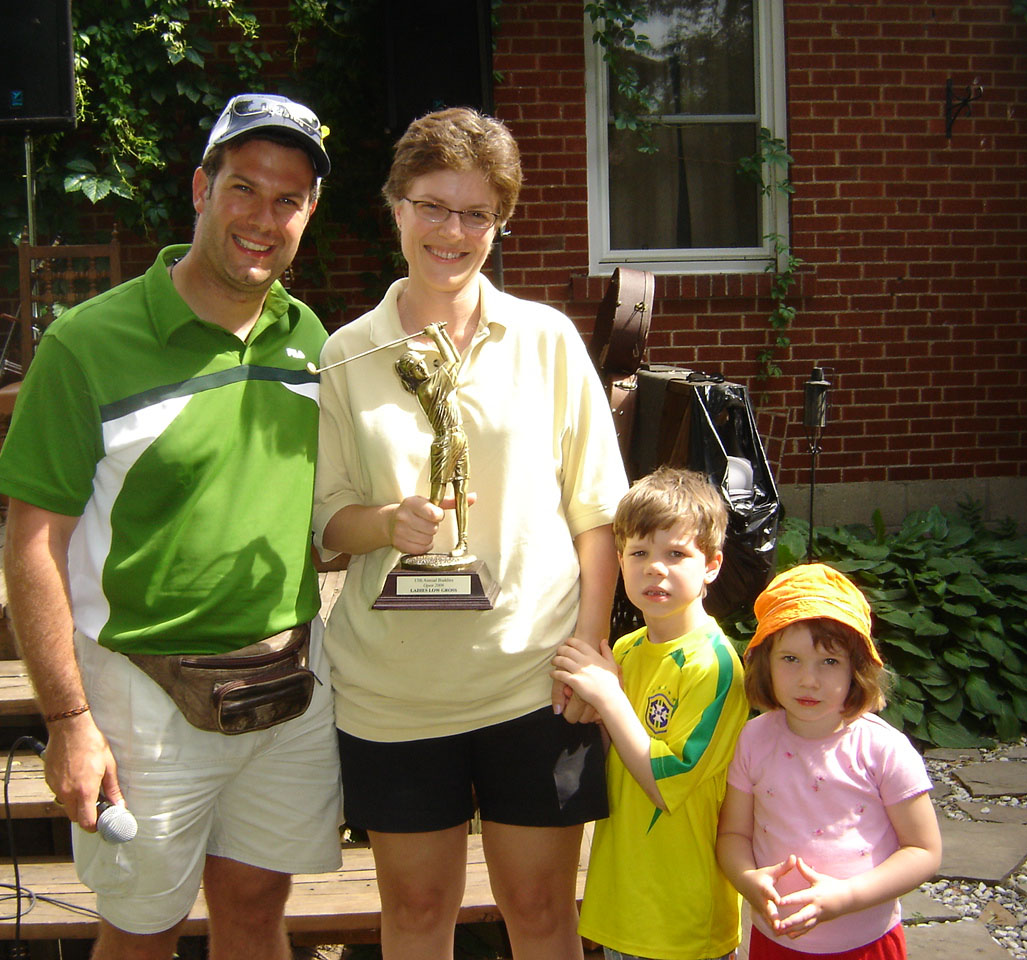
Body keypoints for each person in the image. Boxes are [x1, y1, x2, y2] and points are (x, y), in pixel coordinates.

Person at [0, 93, 342, 960]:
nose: (263, 219)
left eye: (288, 199)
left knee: (256, 911)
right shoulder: (86, 343)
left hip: (285, 680)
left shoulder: (310, 339)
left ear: (309, 213)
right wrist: (68, 720)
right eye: (243, 188)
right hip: (140, 695)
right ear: (199, 189)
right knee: (141, 933)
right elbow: (33, 545)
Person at [312, 107, 629, 960]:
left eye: (476, 213)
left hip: (535, 682)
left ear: (500, 223)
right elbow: (326, 521)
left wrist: (590, 648)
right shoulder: (347, 354)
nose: (451, 232)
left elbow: (598, 509)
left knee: (542, 912)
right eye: (432, 206)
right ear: (396, 206)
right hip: (394, 692)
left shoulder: (546, 340)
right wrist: (386, 523)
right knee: (416, 917)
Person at [551, 466, 748, 960]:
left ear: (712, 565)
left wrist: (609, 698)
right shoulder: (626, 650)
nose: (655, 568)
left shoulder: (714, 665)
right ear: (619, 561)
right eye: (639, 553)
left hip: (682, 921)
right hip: (623, 908)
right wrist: (590, 708)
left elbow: (665, 784)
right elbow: (611, 757)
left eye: (675, 554)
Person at [715, 564, 942, 960]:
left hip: (866, 944)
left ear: (858, 669)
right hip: (776, 942)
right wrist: (748, 879)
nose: (809, 679)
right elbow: (733, 834)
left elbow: (923, 851)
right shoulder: (753, 741)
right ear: (765, 662)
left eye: (830, 662)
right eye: (791, 658)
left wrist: (845, 896)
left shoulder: (882, 749)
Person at [393, 322, 470, 558]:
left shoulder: (434, 382)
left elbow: (455, 359)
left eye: (421, 363)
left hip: (459, 436)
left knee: (461, 489)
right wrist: (436, 335)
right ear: (410, 375)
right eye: (416, 367)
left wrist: (442, 333)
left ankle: (463, 542)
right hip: (445, 441)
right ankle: (421, 544)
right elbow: (452, 361)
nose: (422, 368)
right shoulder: (426, 388)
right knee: (437, 495)